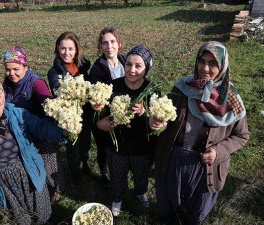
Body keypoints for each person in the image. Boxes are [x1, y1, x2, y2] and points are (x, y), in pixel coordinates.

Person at [150, 41, 250, 225]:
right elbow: (165, 117)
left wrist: (218, 151)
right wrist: (156, 121)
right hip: (175, 159)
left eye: (213, 63)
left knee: (196, 213)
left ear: (223, 66)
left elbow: (242, 136)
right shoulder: (183, 88)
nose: (205, 68)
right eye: (201, 61)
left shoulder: (232, 100)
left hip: (205, 166)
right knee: (169, 206)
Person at [0, 78, 68, 225]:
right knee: (19, 219)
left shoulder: (15, 113)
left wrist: (62, 132)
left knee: (42, 213)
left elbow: (40, 126)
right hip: (1, 181)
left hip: (27, 171)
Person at [97, 45, 156, 216]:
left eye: (138, 66)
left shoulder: (151, 89)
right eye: (129, 64)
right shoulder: (112, 87)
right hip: (117, 147)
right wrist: (106, 124)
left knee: (141, 175)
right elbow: (100, 120)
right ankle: (117, 198)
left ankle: (140, 192)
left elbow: (160, 120)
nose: (132, 70)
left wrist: (145, 113)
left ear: (147, 68)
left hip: (142, 148)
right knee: (117, 176)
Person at [2, 45, 64, 203]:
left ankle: (58, 188)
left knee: (50, 162)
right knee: (34, 163)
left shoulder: (36, 83)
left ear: (25, 66)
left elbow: (47, 102)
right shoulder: (7, 83)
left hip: (42, 132)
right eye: (7, 69)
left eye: (15, 69)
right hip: (23, 133)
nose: (11, 73)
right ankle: (39, 186)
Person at [47, 31, 94, 183]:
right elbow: (57, 87)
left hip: (85, 112)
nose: (67, 52)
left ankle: (86, 162)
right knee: (73, 145)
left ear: (76, 50)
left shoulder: (83, 66)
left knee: (86, 139)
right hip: (69, 116)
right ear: (57, 49)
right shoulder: (54, 72)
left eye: (71, 49)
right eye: (63, 49)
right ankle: (75, 169)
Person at [88, 27, 126, 189]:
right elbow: (96, 94)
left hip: (123, 112)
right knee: (104, 147)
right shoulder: (97, 69)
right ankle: (105, 173)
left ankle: (121, 170)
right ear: (100, 47)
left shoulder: (125, 61)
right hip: (103, 115)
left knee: (120, 144)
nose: (109, 46)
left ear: (119, 44)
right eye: (105, 43)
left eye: (112, 42)